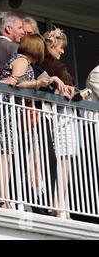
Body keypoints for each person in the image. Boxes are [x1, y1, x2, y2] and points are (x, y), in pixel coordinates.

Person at [0, 34, 64, 209]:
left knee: (9, 154)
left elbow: (42, 79)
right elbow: (15, 82)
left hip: (12, 111)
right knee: (6, 154)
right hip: (6, 110)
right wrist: (35, 83)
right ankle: (2, 197)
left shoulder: (28, 63)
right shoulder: (21, 61)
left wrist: (54, 79)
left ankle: (4, 196)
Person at [40, 28, 78, 218]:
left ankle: (58, 203)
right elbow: (69, 92)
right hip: (62, 116)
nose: (62, 51)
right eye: (61, 47)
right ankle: (59, 204)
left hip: (48, 115)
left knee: (55, 159)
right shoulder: (58, 67)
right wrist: (76, 93)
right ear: (53, 45)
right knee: (65, 160)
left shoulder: (39, 63)